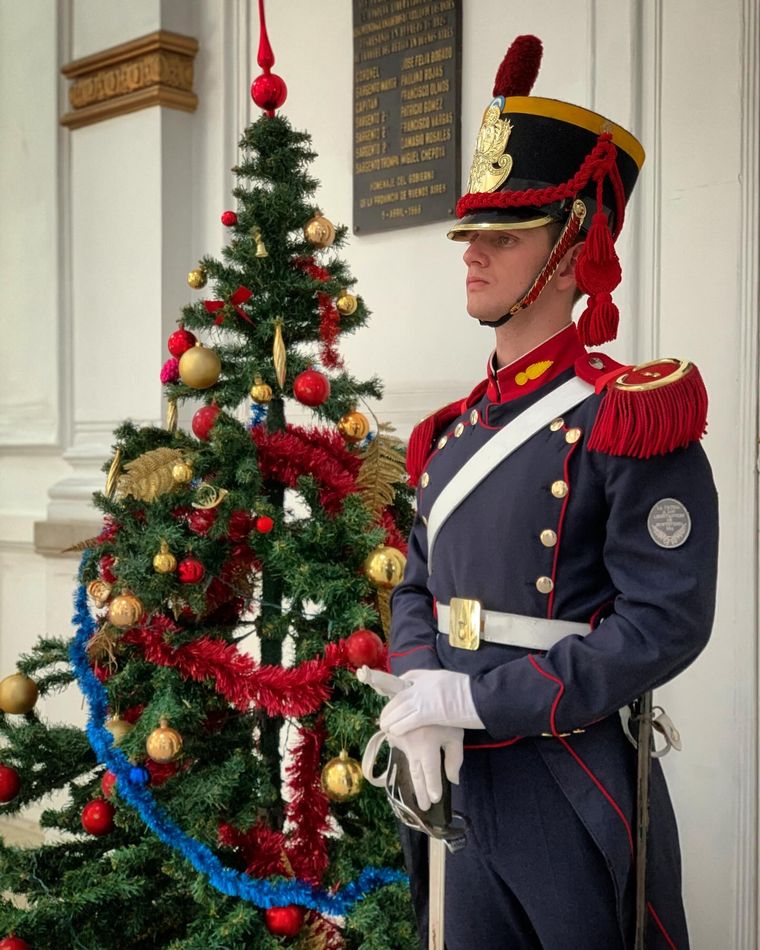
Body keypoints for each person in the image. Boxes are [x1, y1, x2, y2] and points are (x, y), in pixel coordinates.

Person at [379, 34, 718, 949]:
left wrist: (482, 701)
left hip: (567, 774)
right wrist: (420, 683)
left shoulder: (628, 415)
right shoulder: (449, 434)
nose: (473, 254)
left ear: (572, 252)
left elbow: (665, 622)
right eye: (471, 236)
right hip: (455, 772)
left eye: (505, 236)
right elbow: (416, 585)